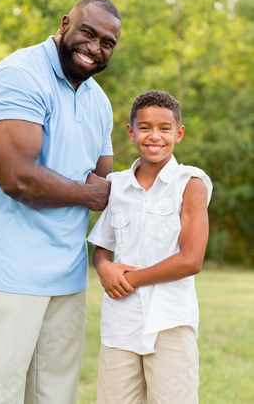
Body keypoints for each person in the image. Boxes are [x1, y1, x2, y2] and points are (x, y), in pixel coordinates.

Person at [0, 0, 122, 404]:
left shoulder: (98, 100)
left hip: (67, 270)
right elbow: (18, 178)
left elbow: (102, 177)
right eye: (88, 32)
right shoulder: (20, 75)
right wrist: (85, 192)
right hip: (9, 265)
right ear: (65, 24)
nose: (95, 48)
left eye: (107, 42)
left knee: (55, 395)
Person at [88, 90, 213, 404]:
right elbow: (102, 247)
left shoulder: (191, 183)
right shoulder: (116, 185)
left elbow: (191, 259)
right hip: (120, 323)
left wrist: (130, 279)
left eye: (164, 128)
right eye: (144, 128)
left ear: (178, 134)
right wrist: (103, 267)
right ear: (131, 133)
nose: (154, 136)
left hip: (170, 320)